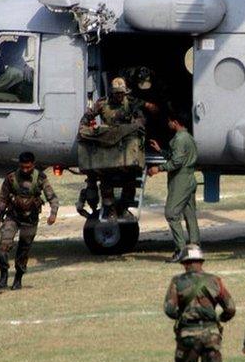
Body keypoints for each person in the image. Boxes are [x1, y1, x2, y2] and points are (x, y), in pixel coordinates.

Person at [163, 245, 235, 362]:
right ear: (201, 262)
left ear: (184, 263)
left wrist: (182, 316)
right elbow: (230, 308)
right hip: (211, 335)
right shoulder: (215, 280)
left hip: (187, 335)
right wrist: (220, 319)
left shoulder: (177, 281)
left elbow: (169, 309)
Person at [0, 151, 59, 291]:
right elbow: (3, 200)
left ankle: (18, 279)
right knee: (3, 246)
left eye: (28, 167)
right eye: (22, 167)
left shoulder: (40, 178)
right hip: (13, 217)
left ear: (33, 165)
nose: (25, 170)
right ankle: (3, 278)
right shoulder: (11, 178)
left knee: (23, 250)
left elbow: (52, 198)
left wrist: (53, 214)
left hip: (30, 219)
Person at [81, 77, 146, 218]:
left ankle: (123, 208)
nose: (119, 96)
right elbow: (87, 117)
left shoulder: (131, 103)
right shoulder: (103, 103)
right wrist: (88, 129)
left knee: (130, 180)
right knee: (106, 180)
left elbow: (141, 120)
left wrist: (130, 127)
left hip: (125, 147)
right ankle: (110, 210)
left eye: (121, 93)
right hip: (107, 147)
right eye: (116, 93)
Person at [149, 112, 200, 263]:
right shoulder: (188, 137)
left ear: (176, 122)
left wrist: (158, 169)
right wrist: (160, 151)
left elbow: (176, 162)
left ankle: (180, 250)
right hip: (190, 178)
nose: (168, 124)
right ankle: (195, 247)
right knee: (189, 213)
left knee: (171, 213)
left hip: (181, 180)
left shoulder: (179, 139)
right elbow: (177, 157)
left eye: (170, 121)